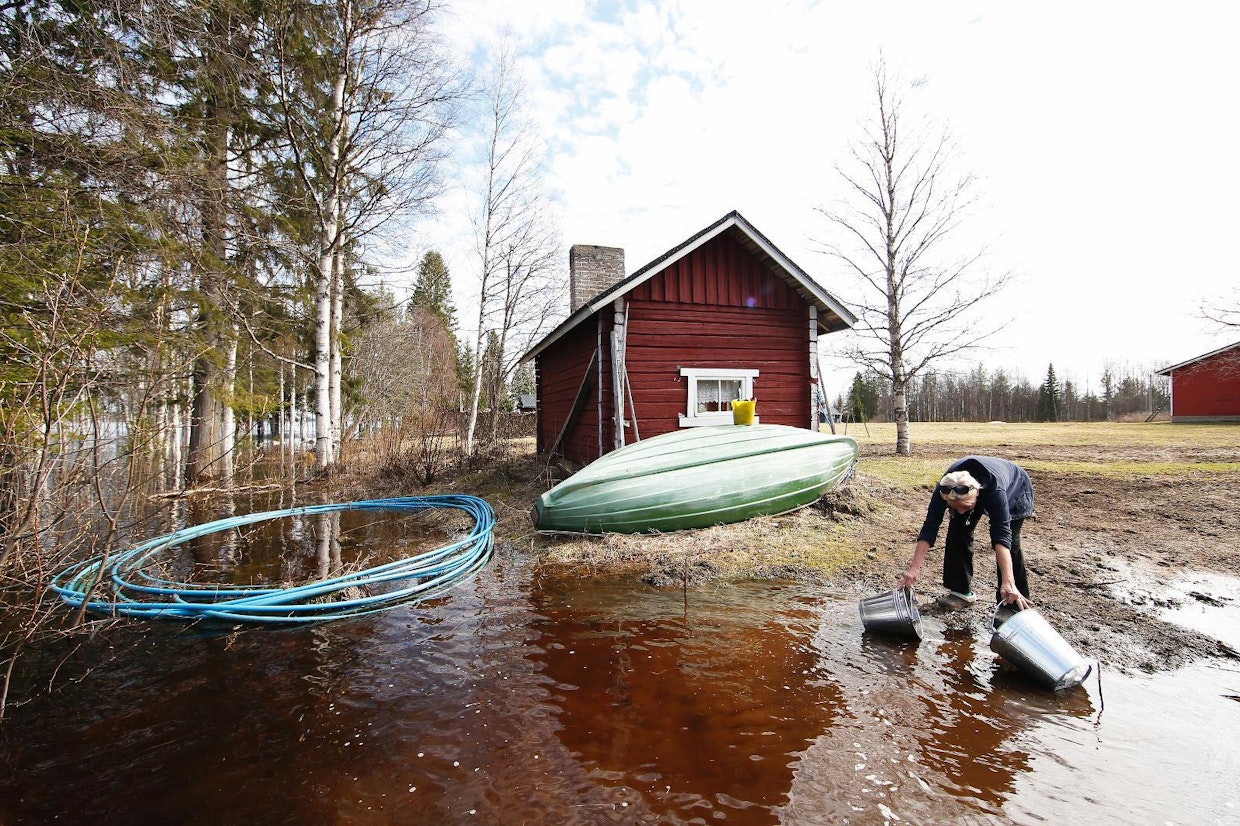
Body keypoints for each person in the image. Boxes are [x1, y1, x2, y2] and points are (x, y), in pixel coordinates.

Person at [898, 455, 1034, 611]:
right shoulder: (945, 487)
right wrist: (914, 568)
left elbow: (1001, 537)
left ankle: (1012, 602)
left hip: (1015, 488)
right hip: (974, 491)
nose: (961, 511)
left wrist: (1008, 580)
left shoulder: (995, 491)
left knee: (1011, 543)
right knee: (957, 530)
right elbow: (930, 526)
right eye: (954, 506)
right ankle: (960, 592)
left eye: (966, 507)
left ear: (977, 493)